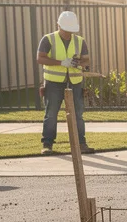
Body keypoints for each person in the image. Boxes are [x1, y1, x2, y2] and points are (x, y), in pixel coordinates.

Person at [35, 11, 93, 155]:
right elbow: (40, 58)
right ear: (58, 26)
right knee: (51, 114)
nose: (68, 33)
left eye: (71, 30)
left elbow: (87, 60)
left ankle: (81, 143)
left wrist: (78, 62)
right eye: (66, 30)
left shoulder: (80, 41)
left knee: (78, 114)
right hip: (53, 82)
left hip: (75, 82)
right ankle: (47, 145)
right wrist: (61, 62)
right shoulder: (48, 39)